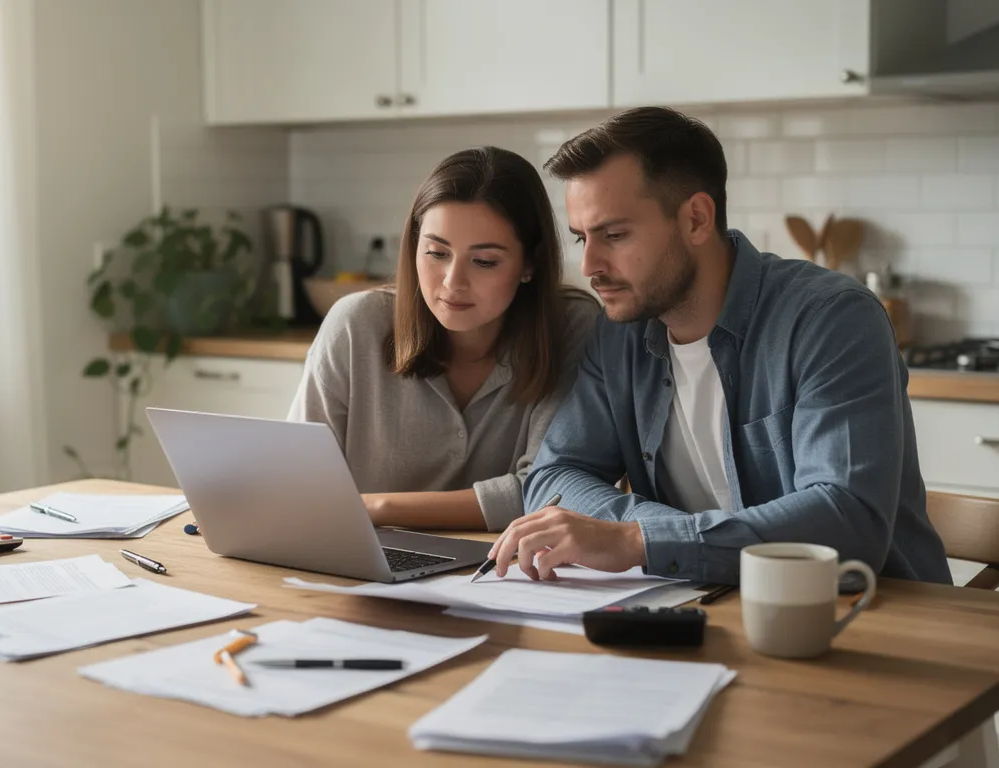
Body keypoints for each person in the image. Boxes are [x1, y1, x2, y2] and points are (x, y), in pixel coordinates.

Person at [488, 107, 950, 585]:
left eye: (615, 235)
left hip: (867, 618)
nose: (589, 266)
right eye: (582, 237)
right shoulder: (620, 332)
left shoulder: (832, 319)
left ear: (696, 219)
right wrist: (647, 537)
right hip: (705, 606)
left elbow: (847, 520)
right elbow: (555, 476)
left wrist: (635, 540)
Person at [288, 146, 599, 533]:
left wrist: (378, 507)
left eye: (484, 261)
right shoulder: (356, 325)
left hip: (506, 573)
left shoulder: (571, 327)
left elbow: (549, 492)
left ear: (529, 264)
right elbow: (299, 482)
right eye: (436, 252)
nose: (452, 282)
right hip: (356, 564)